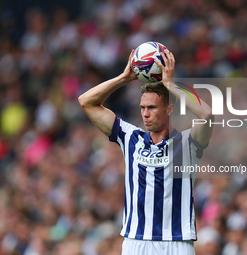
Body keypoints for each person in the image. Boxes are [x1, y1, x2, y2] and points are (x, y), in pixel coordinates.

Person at [78, 49, 214, 255]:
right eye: (142, 108)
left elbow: (206, 114)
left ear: (169, 109)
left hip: (176, 242)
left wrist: (170, 85)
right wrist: (123, 78)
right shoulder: (130, 137)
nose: (145, 114)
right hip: (136, 242)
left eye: (152, 107)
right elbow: (86, 101)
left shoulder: (188, 143)